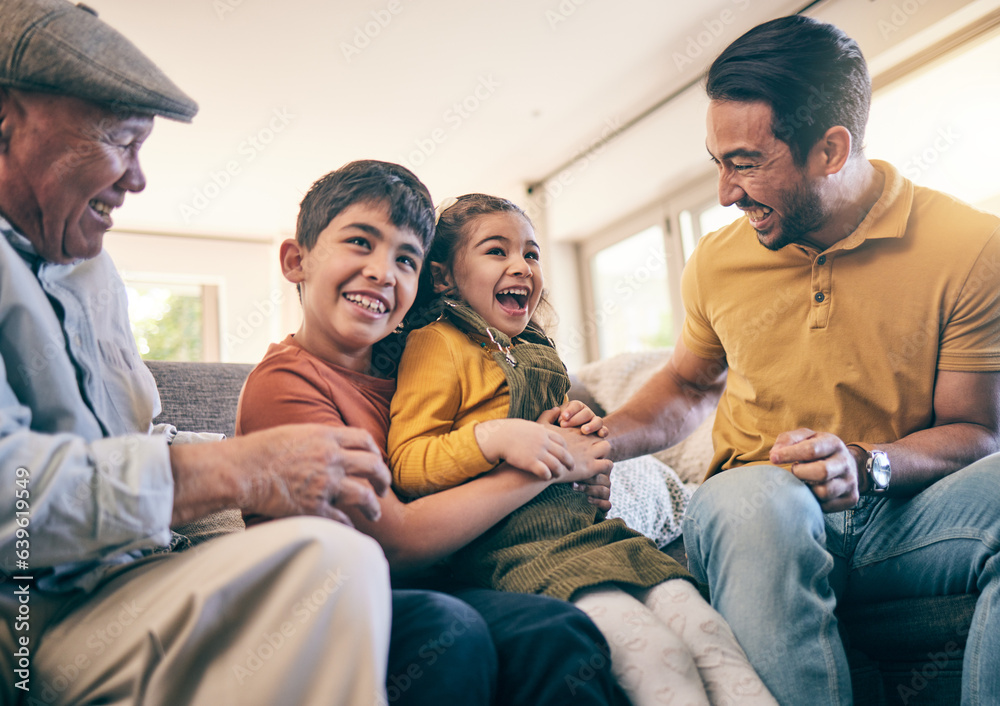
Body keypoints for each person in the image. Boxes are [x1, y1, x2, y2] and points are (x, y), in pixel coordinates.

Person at [0, 3, 490, 705]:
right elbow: (12, 497)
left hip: (138, 579)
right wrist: (236, 466)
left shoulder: (92, 273)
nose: (136, 180)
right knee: (342, 562)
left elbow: (124, 440)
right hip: (35, 615)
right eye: (117, 139)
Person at [603, 14, 1000, 706]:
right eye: (718, 163)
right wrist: (600, 437)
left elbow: (978, 433)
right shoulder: (717, 261)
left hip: (902, 516)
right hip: (755, 507)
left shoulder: (971, 246)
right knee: (763, 500)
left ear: (831, 149)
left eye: (746, 163)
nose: (726, 193)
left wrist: (867, 463)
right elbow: (691, 382)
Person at [235, 160, 632, 706]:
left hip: (434, 582)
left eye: (405, 258)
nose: (382, 272)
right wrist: (548, 462)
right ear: (295, 260)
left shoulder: (408, 372)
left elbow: (460, 466)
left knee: (555, 632)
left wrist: (579, 480)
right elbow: (396, 543)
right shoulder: (286, 382)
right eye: (359, 242)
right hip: (331, 604)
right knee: (452, 632)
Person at [386, 193, 776, 706]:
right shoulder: (437, 343)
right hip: (514, 553)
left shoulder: (537, 351)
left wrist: (586, 456)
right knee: (659, 656)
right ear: (442, 278)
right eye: (496, 251)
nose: (520, 266)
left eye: (531, 253)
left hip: (595, 536)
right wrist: (496, 438)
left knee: (712, 637)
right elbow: (410, 462)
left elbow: (567, 456)